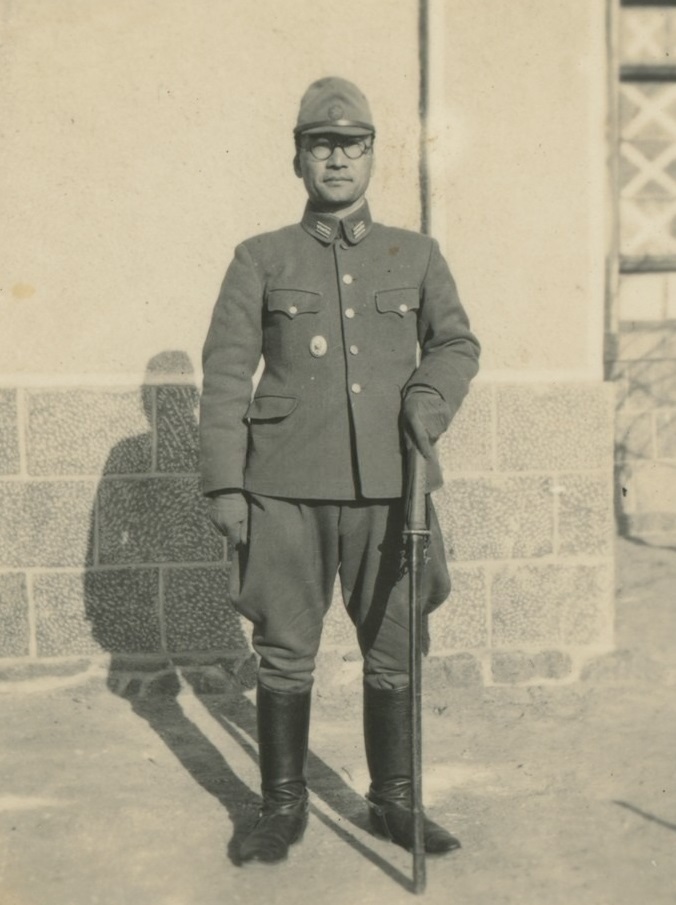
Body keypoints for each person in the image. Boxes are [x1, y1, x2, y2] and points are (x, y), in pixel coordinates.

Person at [199, 76, 480, 865]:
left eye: (351, 146)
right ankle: (281, 805)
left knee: (395, 646)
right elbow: (225, 373)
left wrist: (429, 394)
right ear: (298, 160)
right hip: (283, 489)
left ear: (371, 157)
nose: (336, 160)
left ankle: (394, 799)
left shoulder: (416, 254)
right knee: (285, 648)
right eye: (320, 146)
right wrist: (226, 484)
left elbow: (457, 344)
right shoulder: (259, 257)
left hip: (395, 488)